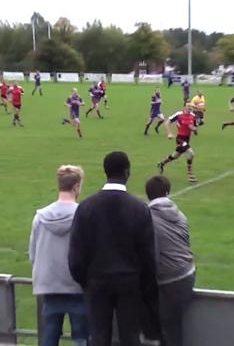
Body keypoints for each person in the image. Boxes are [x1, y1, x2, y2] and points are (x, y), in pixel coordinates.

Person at [68, 151, 158, 346]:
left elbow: (76, 253)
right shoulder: (139, 208)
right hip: (129, 283)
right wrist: (144, 286)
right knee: (130, 337)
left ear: (105, 172)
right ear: (127, 173)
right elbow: (148, 256)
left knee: (99, 336)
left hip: (97, 281)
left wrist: (86, 281)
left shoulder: (86, 207)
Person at [29, 165, 88, 346]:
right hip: (77, 286)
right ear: (76, 187)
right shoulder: (83, 215)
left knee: (48, 338)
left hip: (49, 285)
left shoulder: (40, 217)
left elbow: (33, 253)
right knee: (82, 338)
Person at [145, 176, 196, 346]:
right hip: (188, 272)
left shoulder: (147, 217)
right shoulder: (179, 214)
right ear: (168, 192)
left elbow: (151, 255)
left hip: (169, 278)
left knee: (165, 328)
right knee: (171, 326)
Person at [158, 104, 198, 183]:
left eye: (191, 107)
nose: (190, 108)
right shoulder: (179, 114)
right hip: (180, 138)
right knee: (191, 153)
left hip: (187, 138)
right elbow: (167, 123)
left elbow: (195, 128)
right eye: (188, 106)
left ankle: (162, 163)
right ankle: (190, 175)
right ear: (184, 107)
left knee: (175, 155)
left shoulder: (193, 116)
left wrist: (193, 128)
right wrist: (169, 133)